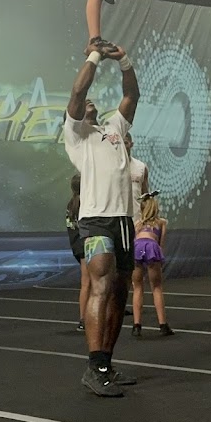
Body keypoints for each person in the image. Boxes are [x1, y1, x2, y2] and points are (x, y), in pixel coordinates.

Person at [63, 41, 139, 397]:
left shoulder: (114, 129)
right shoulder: (77, 134)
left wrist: (122, 59)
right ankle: (93, 367)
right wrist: (95, 55)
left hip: (123, 220)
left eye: (95, 101)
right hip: (95, 221)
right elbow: (79, 90)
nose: (90, 102)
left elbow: (132, 94)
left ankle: (106, 364)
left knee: (120, 293)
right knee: (101, 286)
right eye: (86, 103)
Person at [131, 191, 173, 337]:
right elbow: (160, 244)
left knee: (137, 287)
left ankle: (136, 325)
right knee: (156, 287)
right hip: (151, 247)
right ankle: (163, 325)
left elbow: (134, 240)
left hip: (137, 247)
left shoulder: (137, 224)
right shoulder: (161, 223)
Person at [66, 173, 90, 329]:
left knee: (86, 283)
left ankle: (84, 319)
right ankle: (84, 319)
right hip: (86, 245)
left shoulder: (71, 204)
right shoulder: (84, 203)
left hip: (77, 246)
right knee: (89, 283)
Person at [124, 132, 149, 221]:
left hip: (137, 220)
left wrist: (146, 218)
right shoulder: (110, 167)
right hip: (116, 220)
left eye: (125, 143)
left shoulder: (141, 167)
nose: (123, 146)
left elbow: (145, 196)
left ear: (131, 144)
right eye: (120, 143)